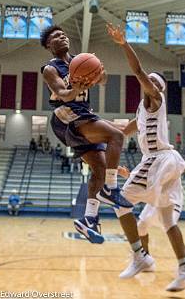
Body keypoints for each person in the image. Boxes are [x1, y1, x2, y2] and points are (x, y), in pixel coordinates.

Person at [106, 23, 185, 292]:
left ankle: (140, 255)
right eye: (150, 80)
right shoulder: (142, 113)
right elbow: (122, 131)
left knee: (120, 202)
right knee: (168, 221)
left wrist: (123, 44)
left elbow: (136, 71)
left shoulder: (155, 99)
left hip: (158, 159)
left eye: (155, 81)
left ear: (158, 88)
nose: (150, 82)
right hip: (164, 162)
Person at [40, 25, 132, 244]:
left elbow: (104, 78)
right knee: (117, 136)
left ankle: (89, 219)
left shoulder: (80, 60)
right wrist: (76, 86)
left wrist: (96, 71)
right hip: (66, 117)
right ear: (48, 46)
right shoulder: (50, 69)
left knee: (99, 169)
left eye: (63, 34)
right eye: (55, 37)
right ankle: (111, 189)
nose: (61, 37)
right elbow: (63, 94)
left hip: (83, 114)